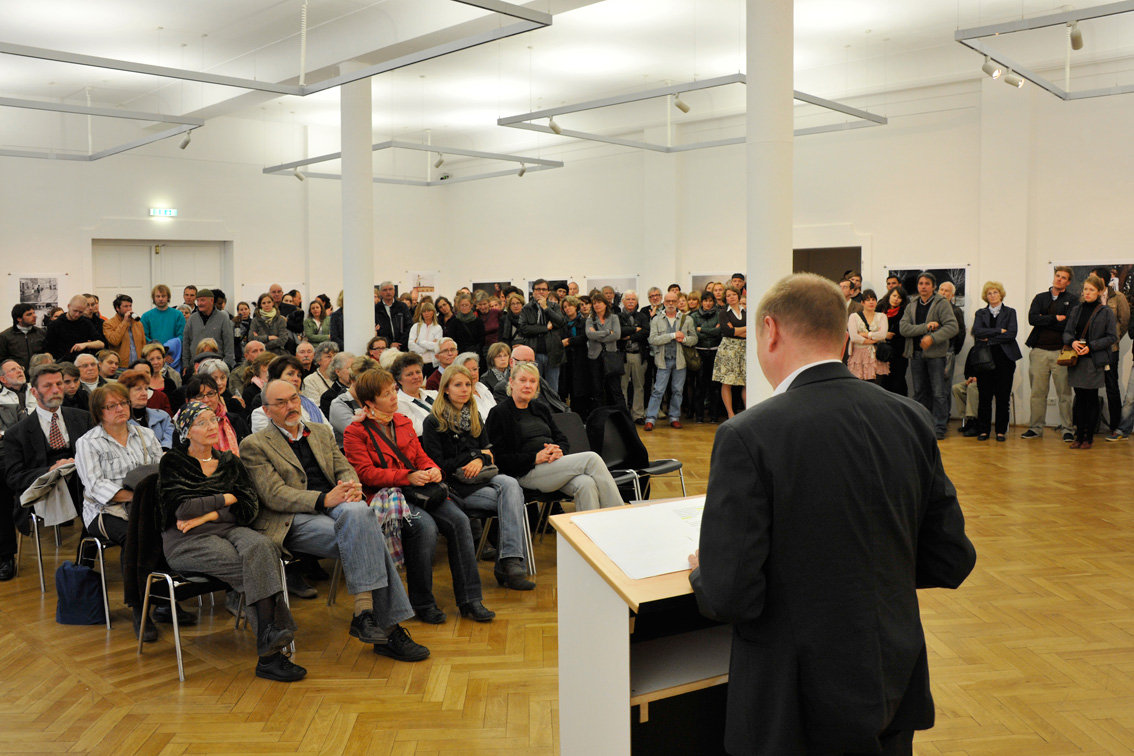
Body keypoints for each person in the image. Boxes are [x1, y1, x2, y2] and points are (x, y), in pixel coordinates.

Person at [688, 273, 976, 756]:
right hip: (892, 676)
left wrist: (704, 572)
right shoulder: (910, 418)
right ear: (845, 337)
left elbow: (730, 594)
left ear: (771, 331)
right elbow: (950, 559)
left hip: (797, 701)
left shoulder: (749, 434)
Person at [240, 379, 429, 661]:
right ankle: (385, 628)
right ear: (267, 411)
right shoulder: (254, 445)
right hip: (292, 519)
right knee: (369, 535)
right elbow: (273, 495)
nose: (291, 406)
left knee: (358, 514)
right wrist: (322, 499)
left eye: (294, 398)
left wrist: (351, 488)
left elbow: (346, 469)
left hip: (337, 508)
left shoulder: (319, 432)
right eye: (281, 403)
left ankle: (365, 615)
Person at [157, 401, 304, 682]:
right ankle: (270, 653)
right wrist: (227, 498)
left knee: (263, 548)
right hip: (187, 541)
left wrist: (209, 513)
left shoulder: (229, 461)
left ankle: (268, 638)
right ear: (186, 431)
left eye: (214, 420)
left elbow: (249, 505)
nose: (212, 427)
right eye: (202, 422)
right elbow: (182, 509)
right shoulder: (173, 462)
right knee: (254, 567)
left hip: (229, 528)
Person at [343, 369, 496, 624]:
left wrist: (431, 468)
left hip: (419, 490)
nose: (394, 396)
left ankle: (471, 599)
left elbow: (419, 456)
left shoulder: (402, 421)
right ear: (369, 401)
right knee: (424, 528)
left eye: (394, 390)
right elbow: (365, 474)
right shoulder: (355, 432)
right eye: (386, 394)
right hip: (389, 496)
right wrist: (408, 476)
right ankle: (423, 602)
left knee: (460, 521)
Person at [422, 364, 533, 591]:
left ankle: (509, 560)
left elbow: (490, 454)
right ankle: (509, 564)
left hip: (484, 476)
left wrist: (480, 460)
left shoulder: (474, 416)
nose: (465, 389)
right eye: (458, 385)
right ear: (445, 389)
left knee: (511, 484)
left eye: (468, 385)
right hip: (456, 486)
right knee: (513, 499)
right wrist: (474, 456)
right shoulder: (433, 422)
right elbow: (440, 466)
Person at [74, 382, 172, 640]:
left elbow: (161, 471)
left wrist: (147, 498)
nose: (120, 409)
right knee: (135, 535)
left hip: (144, 503)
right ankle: (140, 609)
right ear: (99, 412)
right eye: (112, 406)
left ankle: (165, 600)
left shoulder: (145, 435)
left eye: (123, 403)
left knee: (170, 528)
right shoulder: (88, 443)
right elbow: (95, 486)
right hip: (104, 510)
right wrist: (137, 497)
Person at [485, 362, 623, 511]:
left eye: (533, 381)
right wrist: (535, 458)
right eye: (523, 380)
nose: (528, 385)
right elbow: (499, 458)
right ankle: (618, 515)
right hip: (525, 472)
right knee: (592, 459)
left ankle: (588, 533)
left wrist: (559, 450)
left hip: (553, 467)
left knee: (586, 484)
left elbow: (561, 438)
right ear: (512, 382)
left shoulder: (540, 409)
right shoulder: (499, 413)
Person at [899, 272, 959, 440]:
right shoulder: (912, 304)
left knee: (939, 393)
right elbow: (904, 329)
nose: (923, 286)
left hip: (936, 356)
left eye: (927, 284)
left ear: (933, 287)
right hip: (916, 354)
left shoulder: (941, 303)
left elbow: (952, 327)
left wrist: (932, 338)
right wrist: (926, 328)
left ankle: (940, 426)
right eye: (920, 284)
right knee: (919, 393)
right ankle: (921, 424)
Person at [1021, 266, 1077, 441]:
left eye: (1063, 277)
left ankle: (1068, 429)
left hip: (1062, 352)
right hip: (1039, 351)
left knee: (1064, 393)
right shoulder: (1040, 298)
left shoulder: (1073, 300)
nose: (1059, 279)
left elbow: (1069, 324)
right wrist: (1054, 318)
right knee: (1037, 393)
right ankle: (1036, 428)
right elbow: (1032, 319)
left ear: (1068, 282)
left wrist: (1044, 319)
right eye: (1057, 276)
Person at [1065, 275, 1118, 449]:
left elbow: (1112, 337)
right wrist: (1072, 342)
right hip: (1076, 360)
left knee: (1091, 399)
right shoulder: (1076, 310)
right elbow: (1067, 333)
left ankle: (1088, 437)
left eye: (1091, 290)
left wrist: (1091, 346)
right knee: (1079, 399)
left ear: (1100, 292)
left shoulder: (1106, 311)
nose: (1087, 293)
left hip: (1094, 361)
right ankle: (1078, 435)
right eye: (1085, 289)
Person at [971, 282, 1021, 442]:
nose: (992, 295)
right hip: (984, 359)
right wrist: (998, 331)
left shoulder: (1010, 312)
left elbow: (1011, 334)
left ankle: (1000, 431)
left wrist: (988, 338)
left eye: (995, 292)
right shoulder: (980, 313)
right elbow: (977, 331)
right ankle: (983, 430)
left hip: (1005, 359)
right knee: (984, 396)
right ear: (986, 296)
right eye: (989, 293)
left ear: (1001, 294)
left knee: (1002, 397)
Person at [1093, 266, 1130, 435]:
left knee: (1111, 387)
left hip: (1110, 350)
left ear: (1101, 280)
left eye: (1092, 277)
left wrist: (1112, 340)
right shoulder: (1088, 297)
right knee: (1089, 387)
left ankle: (1116, 426)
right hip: (1091, 350)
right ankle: (1088, 425)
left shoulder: (1118, 297)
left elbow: (1124, 322)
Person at [249, 356, 330, 433]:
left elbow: (329, 433)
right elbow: (270, 444)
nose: (296, 379)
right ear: (276, 378)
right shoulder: (261, 413)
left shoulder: (310, 404)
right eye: (290, 374)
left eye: (299, 375)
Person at [519, 279, 567, 392]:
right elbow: (523, 329)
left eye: (544, 289)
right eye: (538, 289)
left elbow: (560, 322)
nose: (541, 292)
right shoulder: (526, 308)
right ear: (533, 291)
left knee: (552, 389)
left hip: (553, 354)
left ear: (548, 292)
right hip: (533, 354)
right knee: (534, 389)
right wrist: (546, 328)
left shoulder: (554, 307)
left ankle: (552, 410)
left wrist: (546, 308)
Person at [182, 373, 249, 451]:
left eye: (211, 394)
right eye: (199, 396)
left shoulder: (236, 422)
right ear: (188, 401)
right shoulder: (184, 428)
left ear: (218, 395)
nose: (206, 400)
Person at [586, 292, 625, 411]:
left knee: (615, 389)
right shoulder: (590, 319)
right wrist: (608, 332)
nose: (596, 305)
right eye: (594, 303)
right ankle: (600, 417)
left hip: (610, 356)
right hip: (595, 357)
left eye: (599, 302)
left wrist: (597, 335)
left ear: (605, 304)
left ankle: (622, 416)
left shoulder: (614, 317)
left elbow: (617, 335)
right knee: (597, 390)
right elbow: (589, 335)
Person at [616, 290, 651, 424]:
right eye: (628, 299)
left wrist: (630, 336)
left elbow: (646, 332)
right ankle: (624, 415)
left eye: (633, 299)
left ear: (637, 302)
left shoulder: (642, 316)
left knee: (639, 386)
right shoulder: (617, 317)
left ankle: (638, 415)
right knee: (622, 386)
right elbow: (619, 332)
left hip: (638, 356)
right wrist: (635, 329)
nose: (631, 301)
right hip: (622, 356)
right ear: (623, 301)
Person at [714, 286, 747, 419]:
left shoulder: (746, 312)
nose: (731, 297)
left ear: (738, 296)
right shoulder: (723, 313)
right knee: (727, 381)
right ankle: (730, 413)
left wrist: (737, 330)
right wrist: (745, 328)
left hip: (745, 349)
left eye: (734, 294)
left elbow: (748, 331)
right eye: (728, 295)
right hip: (728, 349)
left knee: (746, 381)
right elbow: (728, 332)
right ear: (725, 298)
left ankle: (748, 410)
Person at [118, 370, 174, 449]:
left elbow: (170, 438)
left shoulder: (163, 416)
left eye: (146, 389)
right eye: (138, 389)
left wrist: (163, 451)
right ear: (125, 393)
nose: (144, 393)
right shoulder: (119, 421)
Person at [558, 296, 594, 417]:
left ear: (576, 306)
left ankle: (581, 416)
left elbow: (584, 337)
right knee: (566, 386)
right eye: (565, 307)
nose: (568, 308)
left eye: (570, 306)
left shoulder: (584, 321)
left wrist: (569, 341)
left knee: (579, 388)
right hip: (566, 358)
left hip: (581, 358)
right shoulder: (562, 323)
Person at [43, 295, 105, 363]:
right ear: (69, 306)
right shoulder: (55, 324)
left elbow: (101, 343)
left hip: (81, 364)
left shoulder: (86, 323)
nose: (77, 315)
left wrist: (85, 344)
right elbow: (48, 350)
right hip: (62, 364)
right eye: (75, 311)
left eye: (80, 312)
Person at [846, 289, 891, 383]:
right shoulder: (854, 317)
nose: (871, 302)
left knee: (877, 384)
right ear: (862, 302)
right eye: (868, 300)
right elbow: (854, 337)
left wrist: (866, 335)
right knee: (859, 384)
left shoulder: (882, 316)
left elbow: (882, 335)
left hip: (876, 354)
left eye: (873, 299)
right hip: (858, 355)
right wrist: (874, 339)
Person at [184, 288, 235, 368]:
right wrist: (186, 365)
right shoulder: (192, 319)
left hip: (217, 366)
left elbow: (229, 344)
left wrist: (227, 364)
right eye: (198, 301)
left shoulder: (223, 318)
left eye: (202, 300)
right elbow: (186, 344)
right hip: (196, 366)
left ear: (211, 301)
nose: (199, 303)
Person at [391, 352, 437, 436]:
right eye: (410, 374)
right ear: (399, 380)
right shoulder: (398, 403)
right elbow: (417, 430)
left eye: (418, 372)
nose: (416, 377)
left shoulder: (434, 394)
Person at [102, 294, 146, 370]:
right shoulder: (108, 324)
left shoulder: (138, 324)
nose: (129, 309)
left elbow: (143, 344)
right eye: (125, 306)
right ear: (117, 308)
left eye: (130, 306)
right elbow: (114, 341)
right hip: (121, 366)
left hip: (138, 365)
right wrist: (125, 322)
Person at [0, 303, 46, 373]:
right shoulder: (5, 336)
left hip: (39, 375)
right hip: (17, 376)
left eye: (34, 313)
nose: (34, 316)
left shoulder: (42, 333)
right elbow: (2, 360)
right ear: (19, 319)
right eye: (29, 314)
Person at [880, 286, 909, 396]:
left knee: (898, 382)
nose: (896, 299)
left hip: (899, 353)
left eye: (899, 297)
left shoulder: (904, 312)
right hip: (882, 352)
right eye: (894, 295)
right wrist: (883, 335)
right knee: (884, 383)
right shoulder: (880, 310)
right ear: (889, 296)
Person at [938, 282, 966, 391]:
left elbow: (961, 333)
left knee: (944, 387)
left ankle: (945, 409)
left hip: (947, 352)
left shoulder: (956, 311)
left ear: (952, 295)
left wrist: (953, 350)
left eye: (947, 291)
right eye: (942, 290)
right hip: (930, 352)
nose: (943, 293)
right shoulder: (930, 309)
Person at [408, 302, 443, 377]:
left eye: (429, 311)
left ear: (433, 312)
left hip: (433, 363)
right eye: (424, 311)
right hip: (418, 362)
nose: (426, 313)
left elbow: (437, 347)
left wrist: (418, 342)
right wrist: (425, 348)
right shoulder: (416, 326)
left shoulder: (438, 328)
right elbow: (410, 345)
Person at [444, 293, 485, 357]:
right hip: (459, 354)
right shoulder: (454, 322)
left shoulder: (478, 321)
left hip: (475, 354)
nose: (464, 307)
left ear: (471, 305)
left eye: (467, 305)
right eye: (462, 305)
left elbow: (482, 339)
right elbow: (452, 340)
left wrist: (475, 350)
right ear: (459, 306)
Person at [251, 292, 291, 357]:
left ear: (273, 303)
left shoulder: (280, 319)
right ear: (260, 305)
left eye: (269, 302)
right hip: (261, 355)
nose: (266, 305)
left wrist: (265, 344)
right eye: (264, 303)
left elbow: (283, 339)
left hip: (278, 354)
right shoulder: (255, 321)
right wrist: (269, 338)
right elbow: (252, 338)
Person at [375, 282, 412, 350]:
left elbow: (409, 326)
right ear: (380, 292)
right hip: (385, 348)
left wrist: (400, 343)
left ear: (394, 291)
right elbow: (378, 330)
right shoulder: (376, 309)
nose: (388, 292)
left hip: (403, 347)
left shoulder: (402, 307)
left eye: (390, 289)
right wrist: (390, 343)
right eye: (385, 290)